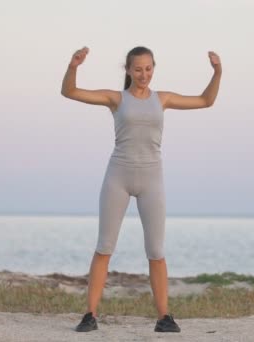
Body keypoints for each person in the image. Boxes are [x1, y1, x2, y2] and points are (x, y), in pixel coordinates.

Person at [61, 46, 221, 333]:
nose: (143, 74)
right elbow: (70, 92)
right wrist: (73, 66)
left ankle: (164, 317)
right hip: (118, 177)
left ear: (154, 68)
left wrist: (217, 72)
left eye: (148, 69)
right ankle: (90, 315)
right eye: (137, 69)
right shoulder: (116, 99)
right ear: (128, 70)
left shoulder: (164, 99)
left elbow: (206, 100)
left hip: (152, 180)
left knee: (156, 250)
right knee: (104, 246)